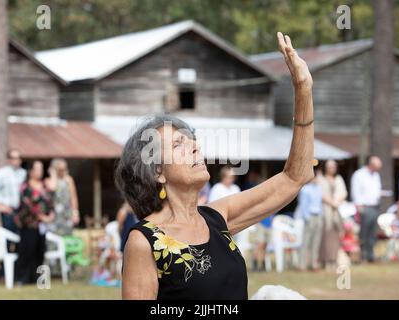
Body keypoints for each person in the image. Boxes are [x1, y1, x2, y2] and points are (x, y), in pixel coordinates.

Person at [117, 32, 315, 300]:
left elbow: (295, 177)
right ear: (157, 172)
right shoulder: (144, 242)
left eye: (192, 140)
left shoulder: (216, 219)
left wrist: (303, 89)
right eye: (178, 145)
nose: (195, 147)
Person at [14, 161, 55, 284]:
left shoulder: (44, 186)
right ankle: (23, 278)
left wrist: (51, 215)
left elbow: (50, 202)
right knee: (27, 251)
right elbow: (27, 205)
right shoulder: (25, 187)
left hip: (42, 226)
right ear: (31, 171)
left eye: (41, 169)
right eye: (37, 169)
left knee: (40, 251)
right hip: (29, 225)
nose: (40, 171)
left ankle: (39, 278)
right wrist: (42, 217)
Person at [0, 149, 26, 237]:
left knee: (22, 239)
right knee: (8, 237)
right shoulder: (2, 173)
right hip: (9, 211)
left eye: (18, 158)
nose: (16, 160)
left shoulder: (23, 173)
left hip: (23, 212)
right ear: (8, 159)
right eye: (13, 158)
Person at [351, 156, 382, 263]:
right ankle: (362, 256)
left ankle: (370, 255)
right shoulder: (359, 174)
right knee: (363, 233)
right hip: (364, 207)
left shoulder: (376, 175)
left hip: (375, 206)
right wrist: (359, 207)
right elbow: (356, 191)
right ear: (371, 164)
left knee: (372, 233)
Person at [319, 159, 348, 270]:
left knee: (336, 236)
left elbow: (343, 193)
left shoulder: (338, 179)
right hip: (325, 212)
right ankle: (325, 260)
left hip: (336, 212)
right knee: (326, 237)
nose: (332, 169)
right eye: (330, 167)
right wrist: (332, 203)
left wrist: (337, 202)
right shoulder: (321, 179)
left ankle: (334, 260)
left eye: (333, 166)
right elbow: (321, 194)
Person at [45, 158, 80, 236]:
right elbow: (52, 188)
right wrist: (53, 175)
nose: (63, 171)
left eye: (64, 169)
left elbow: (73, 197)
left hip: (67, 214)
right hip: (54, 215)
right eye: (60, 169)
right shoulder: (48, 181)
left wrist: (75, 213)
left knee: (67, 237)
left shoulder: (69, 180)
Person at [298, 169, 323, 271]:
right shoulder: (305, 189)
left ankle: (314, 264)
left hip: (318, 216)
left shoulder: (319, 189)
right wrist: (307, 218)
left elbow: (320, 204)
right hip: (310, 216)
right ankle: (302, 264)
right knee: (306, 241)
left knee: (316, 242)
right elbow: (303, 205)